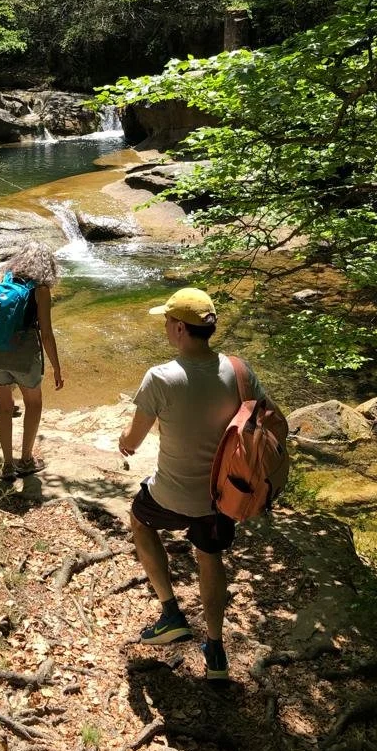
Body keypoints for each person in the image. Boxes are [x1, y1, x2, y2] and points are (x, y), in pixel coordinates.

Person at [118, 286, 277, 684]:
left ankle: (171, 614)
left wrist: (124, 443)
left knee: (140, 520)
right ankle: (217, 650)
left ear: (178, 329)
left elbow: (133, 440)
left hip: (171, 495)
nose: (166, 328)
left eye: (168, 322)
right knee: (210, 556)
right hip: (223, 496)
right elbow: (277, 424)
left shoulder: (160, 378)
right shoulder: (239, 371)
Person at [0, 241, 64, 481]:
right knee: (33, 403)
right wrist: (56, 367)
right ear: (47, 265)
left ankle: (7, 464)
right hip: (23, 354)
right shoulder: (41, 290)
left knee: (3, 406)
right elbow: (46, 333)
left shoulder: (2, 279)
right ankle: (25, 460)